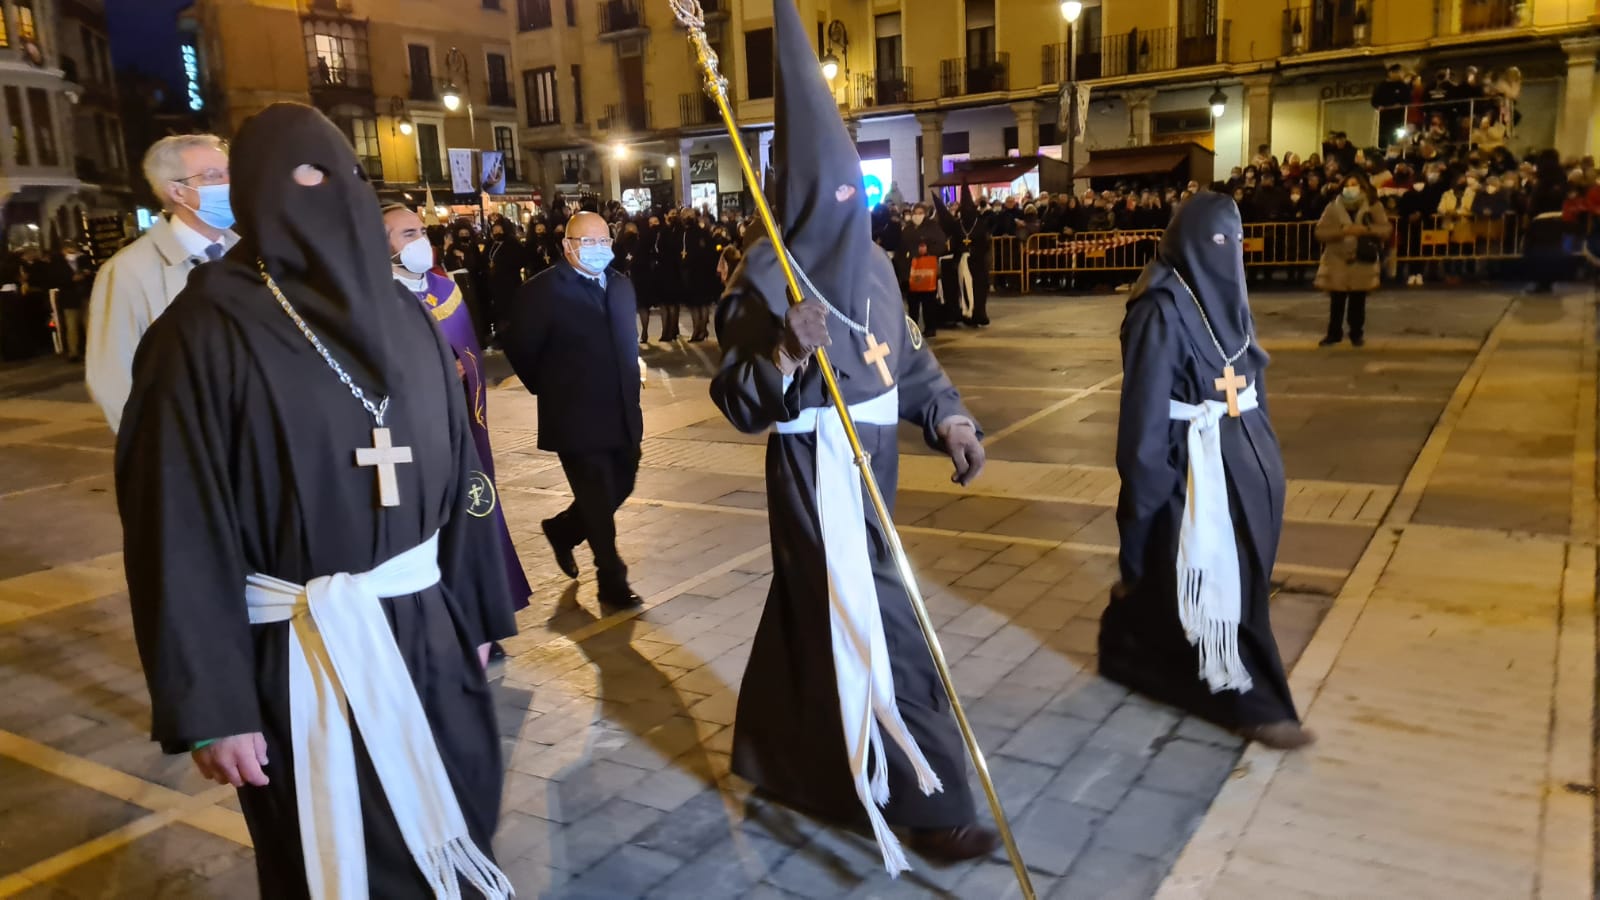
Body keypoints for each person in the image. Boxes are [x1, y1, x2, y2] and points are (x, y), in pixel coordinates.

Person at [115, 103, 516, 899]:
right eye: (296, 181)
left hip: (428, 629)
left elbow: (467, 471)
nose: (320, 199)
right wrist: (213, 705)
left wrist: (478, 614)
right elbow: (174, 529)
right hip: (301, 652)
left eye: (334, 179)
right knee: (334, 854)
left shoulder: (404, 315)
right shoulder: (200, 333)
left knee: (456, 822)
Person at [711, 0, 996, 872]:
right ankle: (933, 799)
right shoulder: (762, 274)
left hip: (875, 461)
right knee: (881, 613)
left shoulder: (873, 262)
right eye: (830, 191)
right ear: (799, 191)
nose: (846, 207)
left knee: (814, 607)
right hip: (812, 466)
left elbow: (906, 356)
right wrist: (785, 353)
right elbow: (737, 398)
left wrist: (948, 416)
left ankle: (779, 756)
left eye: (854, 189)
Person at [1100, 192, 1312, 751]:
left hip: (1241, 461)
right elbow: (1144, 412)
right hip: (1188, 471)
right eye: (1217, 241)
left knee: (1209, 582)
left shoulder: (1226, 291)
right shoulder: (1159, 306)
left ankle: (1134, 657)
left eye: (1234, 242)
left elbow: (1251, 368)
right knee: (1216, 586)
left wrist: (1264, 454)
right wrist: (1145, 492)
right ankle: (1254, 700)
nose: (1228, 253)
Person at [384, 203, 533, 615]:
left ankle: (483, 608)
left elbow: (470, 355)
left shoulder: (445, 291)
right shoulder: (373, 300)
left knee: (472, 515)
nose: (421, 243)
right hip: (412, 439)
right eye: (407, 235)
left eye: (421, 232)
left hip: (458, 430)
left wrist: (459, 369)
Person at [505, 211, 644, 610]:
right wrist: (551, 388)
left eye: (604, 240)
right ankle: (611, 579)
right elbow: (521, 347)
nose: (599, 249)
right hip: (575, 415)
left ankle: (564, 529)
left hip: (622, 411)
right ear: (567, 246)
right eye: (588, 242)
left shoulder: (620, 286)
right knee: (597, 498)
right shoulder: (543, 290)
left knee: (622, 484)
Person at [86, 133, 237, 431]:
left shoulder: (252, 255)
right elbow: (113, 382)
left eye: (230, 172)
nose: (229, 184)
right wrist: (165, 457)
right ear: (177, 192)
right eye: (212, 176)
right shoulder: (129, 272)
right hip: (193, 450)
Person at [1315, 174, 1391, 347]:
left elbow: (1385, 229)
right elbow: (1320, 232)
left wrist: (1365, 229)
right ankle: (1333, 333)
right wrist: (1342, 232)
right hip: (1337, 258)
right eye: (1348, 185)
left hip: (1362, 257)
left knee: (1358, 299)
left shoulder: (1374, 207)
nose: (1351, 188)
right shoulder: (1333, 207)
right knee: (1337, 300)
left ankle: (1356, 334)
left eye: (1355, 184)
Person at [907, 237, 941, 339]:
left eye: (923, 246)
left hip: (928, 288)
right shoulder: (912, 257)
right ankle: (913, 329)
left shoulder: (932, 258)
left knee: (929, 309)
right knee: (913, 310)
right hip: (914, 288)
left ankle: (930, 329)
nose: (921, 249)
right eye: (920, 247)